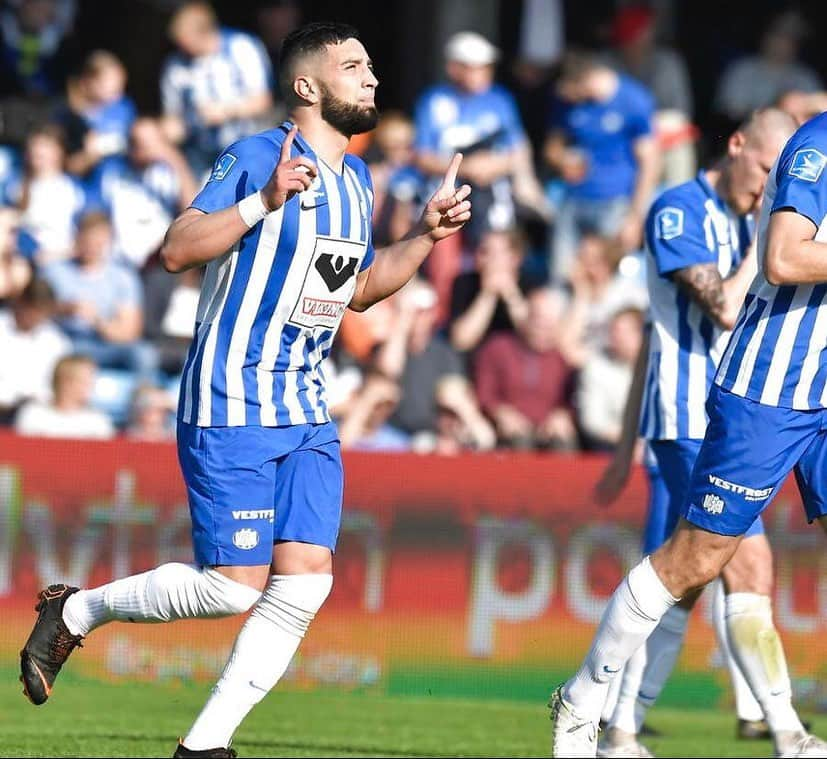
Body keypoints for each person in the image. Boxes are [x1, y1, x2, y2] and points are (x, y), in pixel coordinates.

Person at [19, 21, 473, 758]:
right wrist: (262, 201)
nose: (372, 78)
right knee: (232, 586)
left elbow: (354, 291)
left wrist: (423, 237)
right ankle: (77, 610)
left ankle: (204, 745)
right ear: (306, 87)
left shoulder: (355, 182)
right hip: (233, 396)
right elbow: (175, 248)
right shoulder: (260, 155)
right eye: (352, 66)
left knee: (303, 583)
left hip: (305, 407)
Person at [550, 109, 827, 759]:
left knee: (725, 570)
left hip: (817, 391)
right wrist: (628, 441)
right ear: (738, 148)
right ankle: (586, 700)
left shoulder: (743, 211)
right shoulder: (699, 202)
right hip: (749, 394)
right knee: (697, 561)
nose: (764, 183)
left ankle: (778, 729)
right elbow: (777, 265)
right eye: (761, 168)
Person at [544, 50, 659, 284]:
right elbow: (552, 147)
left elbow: (650, 162)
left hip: (615, 202)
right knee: (562, 274)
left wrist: (635, 217)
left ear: (585, 81)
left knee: (608, 277)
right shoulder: (570, 105)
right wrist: (562, 160)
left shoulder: (633, 100)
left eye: (569, 91)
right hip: (573, 199)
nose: (567, 97)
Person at [42, 211, 159, 383]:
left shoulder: (122, 277)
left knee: (144, 354)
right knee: (49, 347)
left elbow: (130, 332)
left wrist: (96, 320)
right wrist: (64, 309)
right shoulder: (54, 271)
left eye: (98, 242)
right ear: (77, 238)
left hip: (104, 344)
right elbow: (35, 311)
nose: (92, 247)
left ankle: (143, 403)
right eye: (87, 240)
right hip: (64, 340)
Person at [160, 0, 274, 177]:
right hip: (202, 159)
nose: (183, 50)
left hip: (248, 147)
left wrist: (224, 111)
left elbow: (263, 101)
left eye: (186, 43)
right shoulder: (175, 65)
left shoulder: (241, 47)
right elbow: (173, 118)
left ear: (205, 32)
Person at [474, 287, 580, 450]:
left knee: (564, 443)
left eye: (549, 323)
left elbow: (573, 398)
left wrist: (564, 415)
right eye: (538, 320)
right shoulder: (498, 347)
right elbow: (484, 393)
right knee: (520, 442)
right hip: (509, 430)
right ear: (527, 318)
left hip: (550, 430)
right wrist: (500, 413)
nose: (542, 328)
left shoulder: (564, 356)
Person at [14, 353, 114, 440]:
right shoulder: (33, 414)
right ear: (65, 382)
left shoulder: (98, 421)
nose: (91, 386)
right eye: (84, 381)